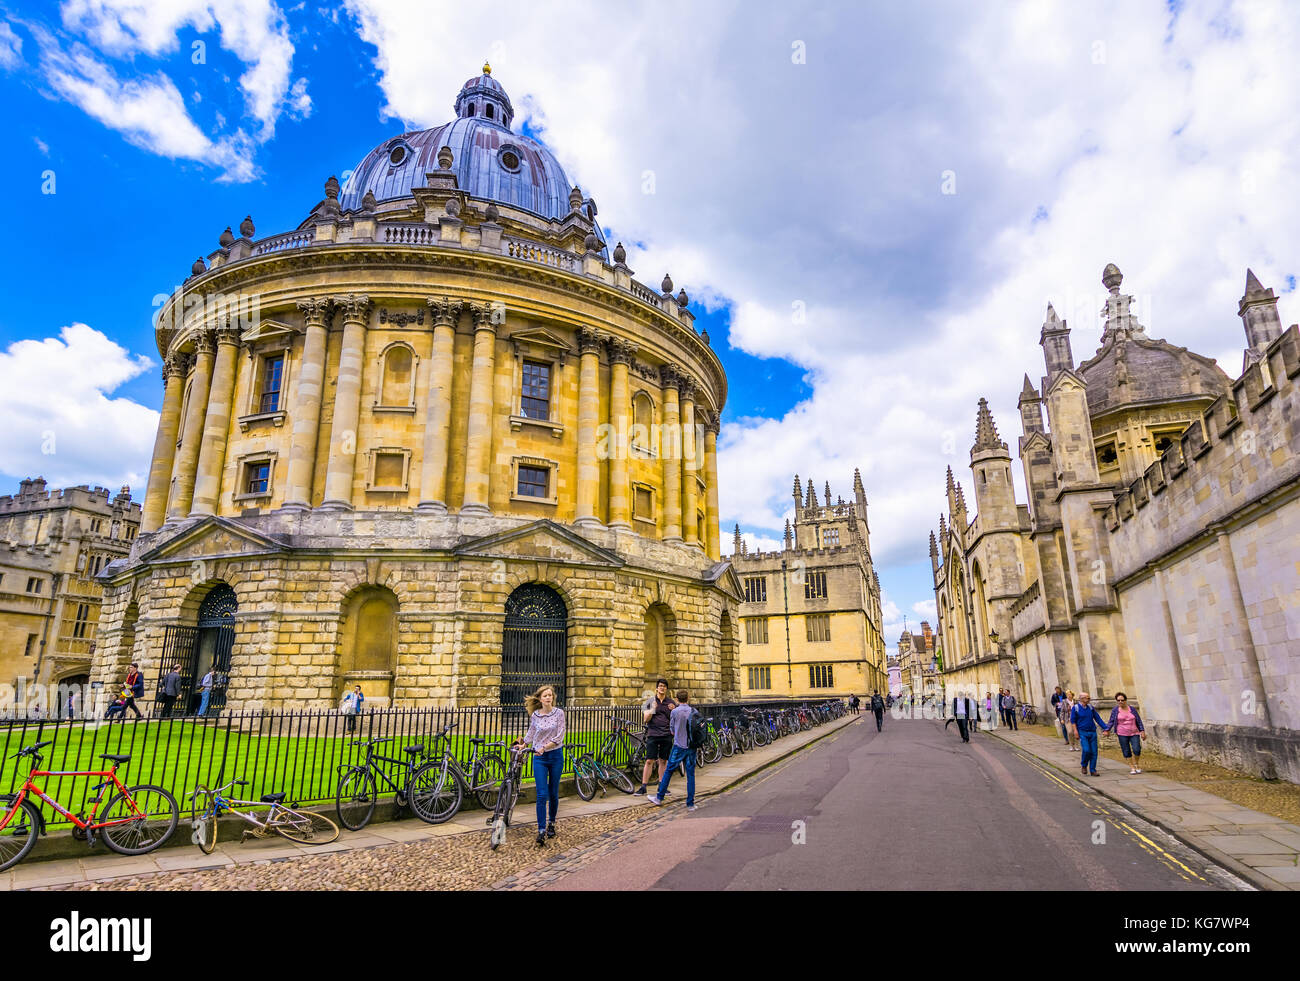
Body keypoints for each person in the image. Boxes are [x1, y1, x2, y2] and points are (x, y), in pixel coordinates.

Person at [514, 684, 565, 846]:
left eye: (550, 695)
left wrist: (545, 747)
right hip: (539, 758)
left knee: (553, 793)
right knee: (542, 794)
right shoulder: (535, 715)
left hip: (555, 755)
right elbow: (531, 732)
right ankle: (542, 829)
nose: (548, 698)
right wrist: (523, 745)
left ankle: (552, 823)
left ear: (553, 698)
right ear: (540, 699)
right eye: (545, 696)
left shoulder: (559, 714)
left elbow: (560, 735)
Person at [646, 689, 698, 810]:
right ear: (688, 698)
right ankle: (690, 804)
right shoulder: (693, 711)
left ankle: (659, 798)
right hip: (691, 747)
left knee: (669, 771)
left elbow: (672, 730)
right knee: (690, 775)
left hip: (679, 746)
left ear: (677, 699)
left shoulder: (674, 712)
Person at [635, 679, 677, 796]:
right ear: (657, 688)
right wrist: (652, 709)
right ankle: (643, 786)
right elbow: (645, 719)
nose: (662, 688)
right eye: (660, 686)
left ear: (666, 689)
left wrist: (674, 710)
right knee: (649, 761)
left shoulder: (671, 703)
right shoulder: (650, 701)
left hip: (666, 735)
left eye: (664, 686)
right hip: (653, 734)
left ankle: (661, 786)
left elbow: (675, 719)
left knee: (663, 761)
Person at [1070, 691, 1111, 776]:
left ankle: (1093, 770)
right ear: (1081, 699)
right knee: (1086, 750)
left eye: (1089, 698)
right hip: (1082, 732)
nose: (1089, 699)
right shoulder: (1076, 708)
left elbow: (1097, 718)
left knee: (1094, 752)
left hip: (1092, 732)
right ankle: (1084, 765)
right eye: (1087, 698)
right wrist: (1075, 731)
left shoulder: (1090, 707)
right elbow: (1073, 721)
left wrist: (1106, 728)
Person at [1106, 692, 1145, 774]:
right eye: (1118, 700)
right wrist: (1107, 730)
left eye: (1122, 700)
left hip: (1134, 732)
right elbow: (1111, 721)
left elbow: (1138, 720)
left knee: (1137, 749)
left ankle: (1136, 763)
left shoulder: (1132, 709)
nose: (1120, 702)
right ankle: (1132, 767)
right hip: (1122, 733)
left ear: (1125, 700)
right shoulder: (1115, 710)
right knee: (1126, 750)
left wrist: (1142, 731)